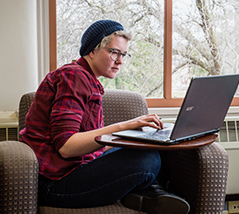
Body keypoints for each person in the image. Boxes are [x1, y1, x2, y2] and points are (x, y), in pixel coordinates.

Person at [20, 19, 190, 214]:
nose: (120, 61)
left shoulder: (87, 80)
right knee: (148, 160)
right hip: (56, 183)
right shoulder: (74, 77)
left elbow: (93, 144)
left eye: (124, 54)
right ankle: (148, 192)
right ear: (92, 50)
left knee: (154, 149)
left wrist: (136, 139)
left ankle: (149, 194)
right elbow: (67, 148)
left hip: (77, 166)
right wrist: (125, 126)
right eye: (114, 52)